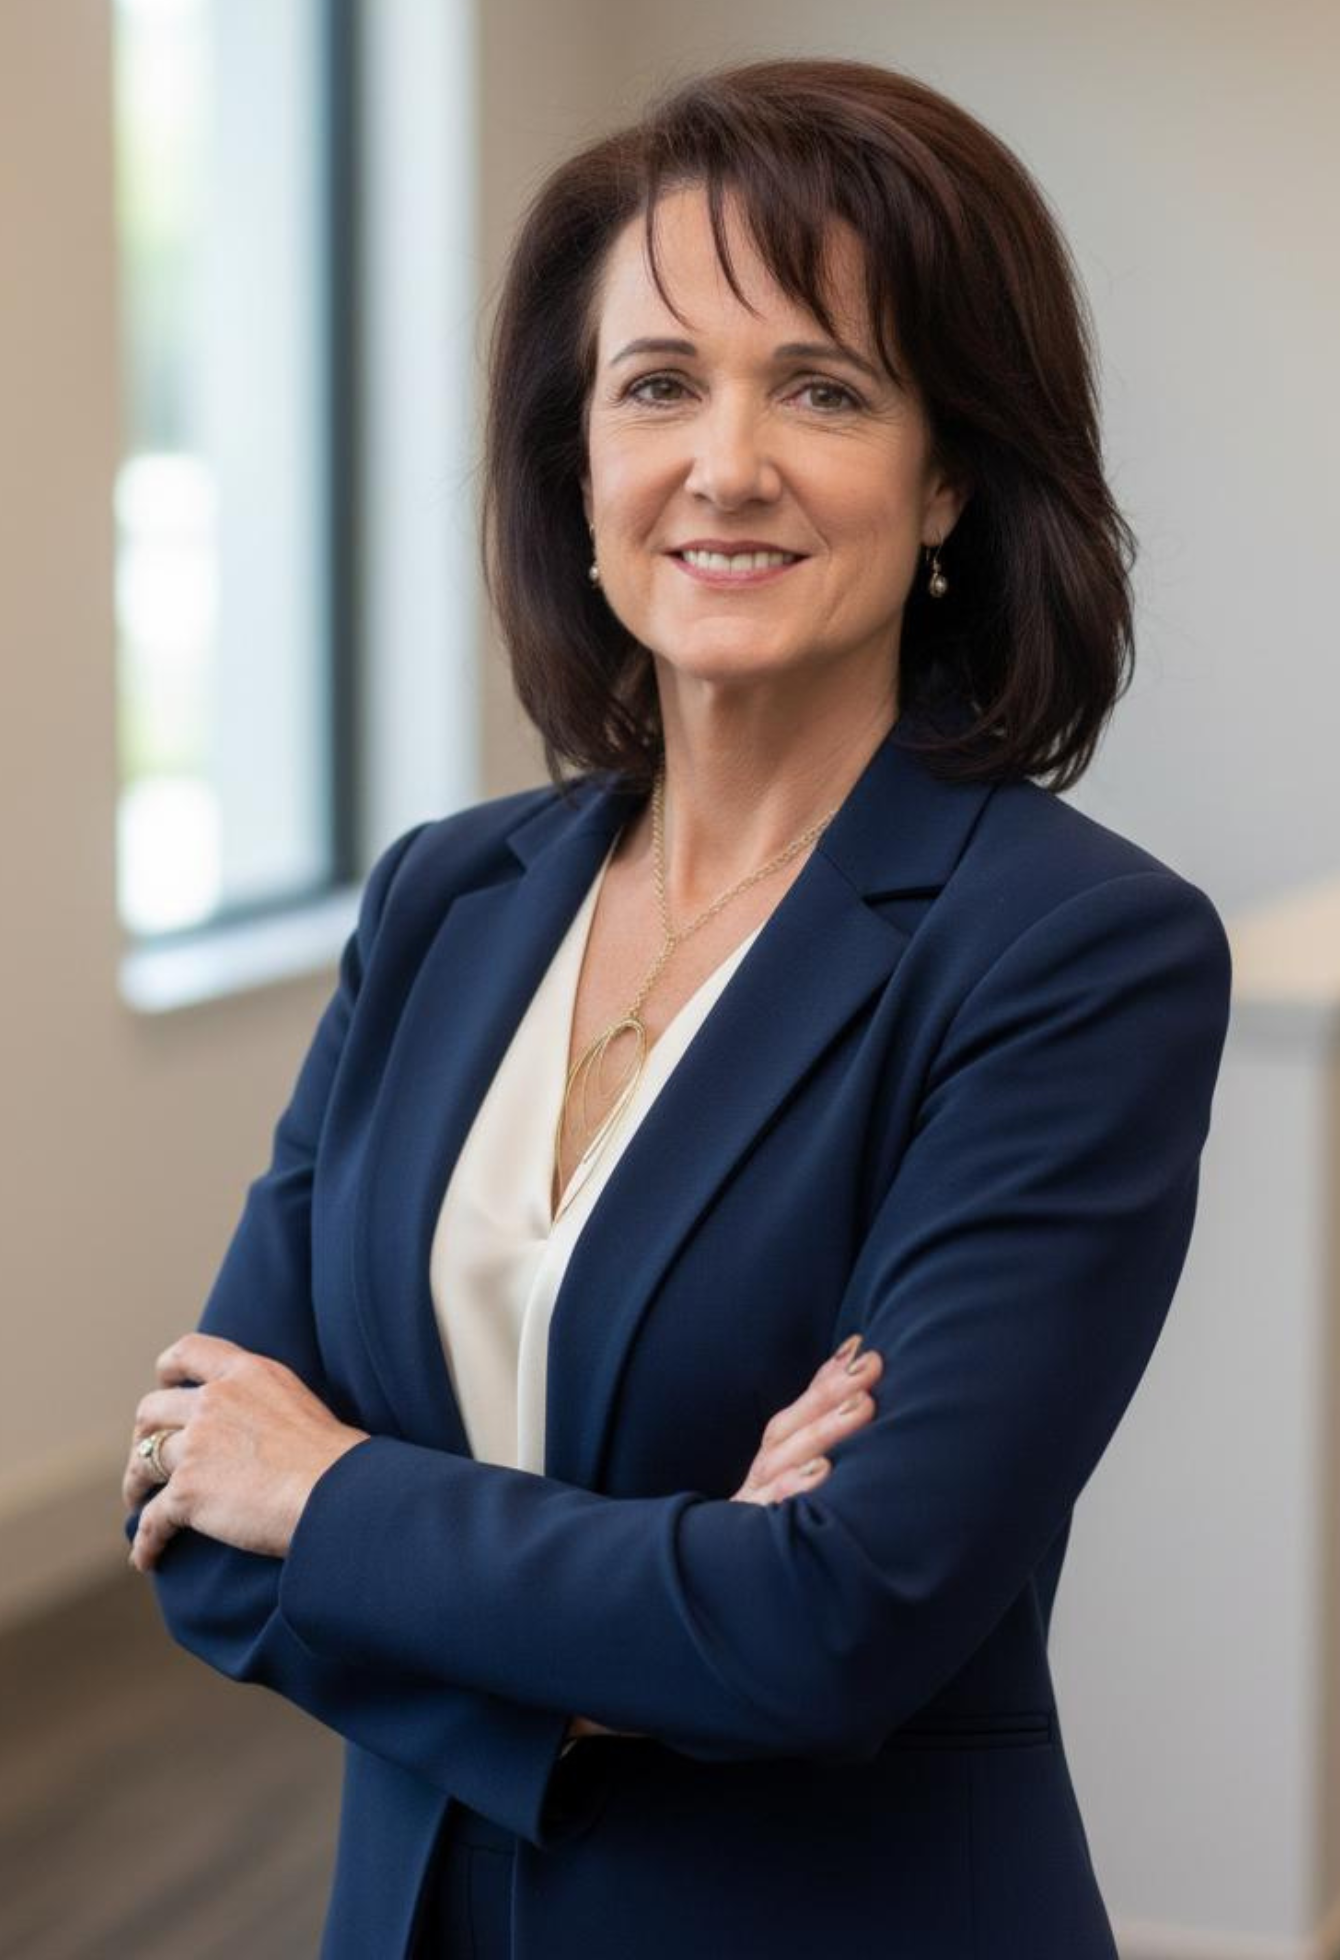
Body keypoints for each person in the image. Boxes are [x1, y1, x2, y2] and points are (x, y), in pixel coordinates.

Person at [121, 55, 1232, 1960]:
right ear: (579, 461)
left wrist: (336, 1494)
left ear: (949, 470)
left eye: (822, 387)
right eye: (657, 387)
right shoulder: (445, 897)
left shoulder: (1073, 955)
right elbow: (190, 1517)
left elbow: (835, 1624)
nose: (727, 464)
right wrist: (655, 1621)